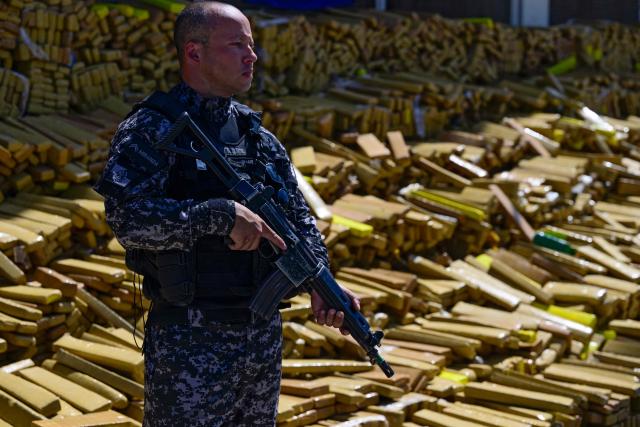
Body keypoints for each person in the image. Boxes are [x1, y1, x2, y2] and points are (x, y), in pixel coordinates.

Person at [94, 2, 360, 426]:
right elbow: (128, 218)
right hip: (191, 345)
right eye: (237, 45)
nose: (251, 57)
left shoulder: (258, 138)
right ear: (194, 53)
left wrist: (321, 282)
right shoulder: (152, 128)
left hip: (260, 341)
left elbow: (298, 221)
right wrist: (219, 215)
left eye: (251, 46)